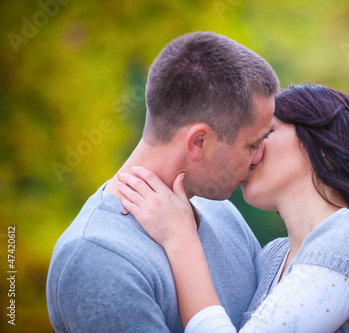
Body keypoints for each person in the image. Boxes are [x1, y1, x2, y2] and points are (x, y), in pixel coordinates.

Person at [118, 84, 349, 332]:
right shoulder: (272, 259)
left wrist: (180, 239)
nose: (250, 153)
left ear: (320, 145)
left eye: (266, 134)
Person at [46, 31, 280, 332]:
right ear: (199, 142)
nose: (259, 156)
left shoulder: (224, 215)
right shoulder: (98, 257)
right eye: (252, 144)